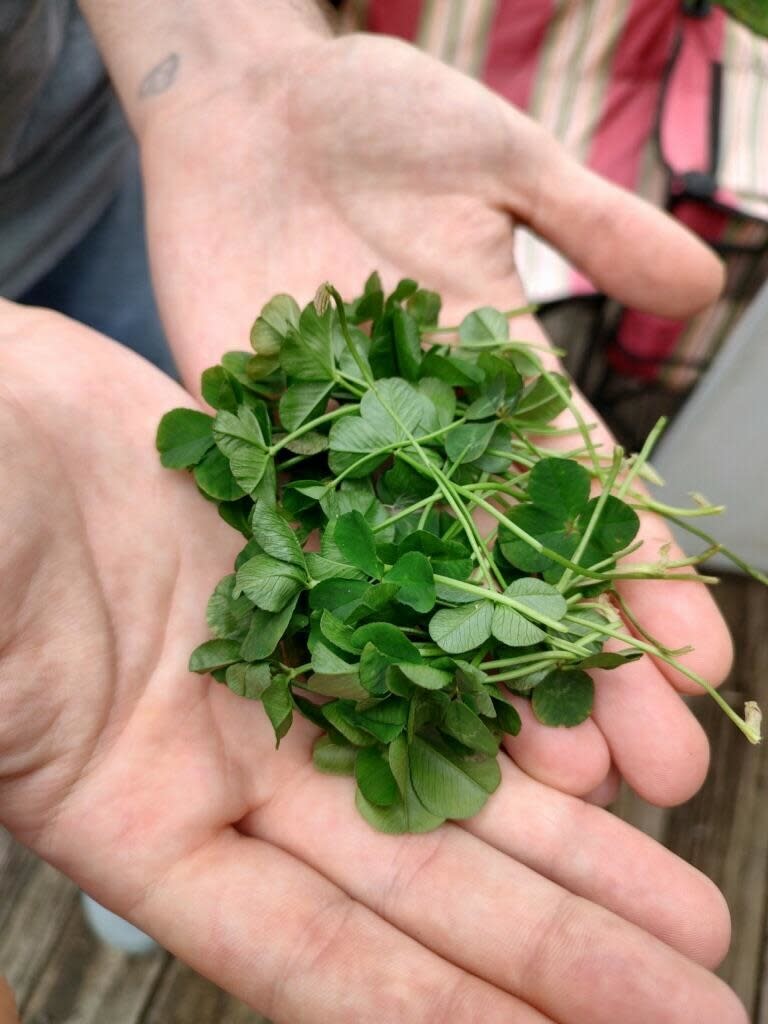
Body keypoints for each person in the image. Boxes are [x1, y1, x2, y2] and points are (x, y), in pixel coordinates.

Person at [0, 2, 749, 1021]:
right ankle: (138, 837)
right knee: (121, 570)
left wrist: (231, 58)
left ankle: (170, 806)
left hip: (102, 160)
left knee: (166, 444)